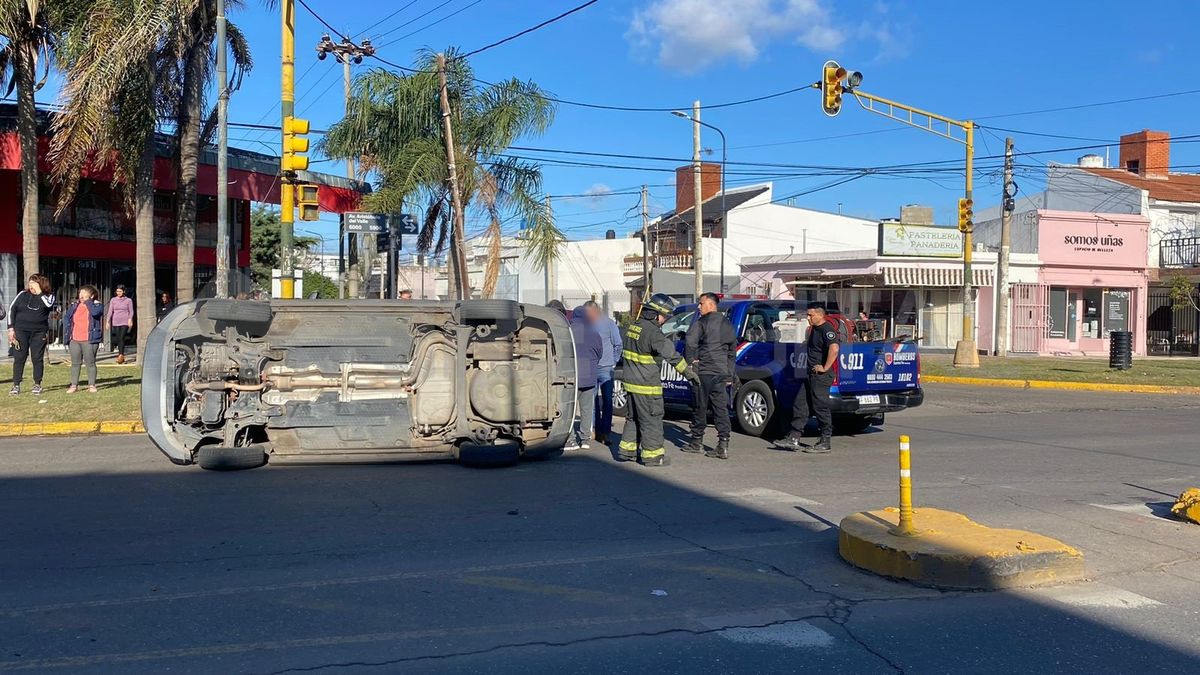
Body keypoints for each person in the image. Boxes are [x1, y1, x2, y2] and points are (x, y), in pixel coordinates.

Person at [618, 293, 700, 467]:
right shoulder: (654, 333)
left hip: (630, 384)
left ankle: (627, 450)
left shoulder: (633, 327)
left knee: (633, 418)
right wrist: (689, 373)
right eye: (664, 316)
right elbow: (672, 356)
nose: (664, 320)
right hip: (647, 386)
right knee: (651, 420)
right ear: (655, 314)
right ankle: (653, 456)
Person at [777, 302, 840, 454]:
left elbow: (834, 348)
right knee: (800, 404)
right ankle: (794, 437)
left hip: (821, 375)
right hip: (809, 373)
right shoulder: (814, 329)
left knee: (820, 407)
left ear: (820, 314)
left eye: (811, 315)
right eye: (808, 314)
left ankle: (825, 440)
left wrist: (825, 367)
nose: (808, 317)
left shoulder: (827, 330)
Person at [683, 292, 736, 460]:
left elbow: (690, 343)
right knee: (720, 409)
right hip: (720, 372)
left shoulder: (701, 322)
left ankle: (696, 442)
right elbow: (731, 351)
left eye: (701, 303)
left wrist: (690, 362)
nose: (699, 307)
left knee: (700, 406)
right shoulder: (727, 323)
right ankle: (723, 444)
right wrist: (729, 374)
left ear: (711, 305)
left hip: (704, 371)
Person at [8, 274, 56, 396]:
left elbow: (48, 305)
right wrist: (10, 328)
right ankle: (16, 385)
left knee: (37, 358)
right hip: (21, 331)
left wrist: (39, 292)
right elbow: (11, 310)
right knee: (19, 358)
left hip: (39, 332)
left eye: (34, 283)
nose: (31, 285)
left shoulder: (49, 296)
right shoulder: (22, 294)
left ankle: (37, 384)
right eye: (30, 282)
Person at [565, 305, 603, 450]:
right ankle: (586, 439)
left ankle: (570, 439)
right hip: (589, 376)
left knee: (570, 411)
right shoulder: (593, 333)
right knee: (587, 410)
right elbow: (599, 353)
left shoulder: (567, 332)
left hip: (571, 376)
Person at [585, 300, 623, 445]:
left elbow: (618, 343)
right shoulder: (586, 325)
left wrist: (614, 361)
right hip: (591, 368)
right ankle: (595, 429)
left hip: (606, 368)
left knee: (607, 401)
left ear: (596, 311)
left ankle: (605, 432)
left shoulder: (608, 324)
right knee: (592, 400)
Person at [63, 285, 104, 394]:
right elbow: (67, 317)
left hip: (89, 339)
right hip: (75, 339)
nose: (81, 295)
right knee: (75, 363)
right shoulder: (75, 305)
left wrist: (89, 302)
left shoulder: (96, 305)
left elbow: (95, 313)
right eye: (80, 293)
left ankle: (92, 385)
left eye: (84, 293)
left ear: (91, 295)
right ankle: (74, 385)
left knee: (90, 362)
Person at [105, 284, 134, 364]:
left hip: (124, 321)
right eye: (117, 291)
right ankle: (121, 355)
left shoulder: (128, 300)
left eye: (120, 291)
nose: (118, 293)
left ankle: (121, 355)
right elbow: (110, 311)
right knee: (118, 338)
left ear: (124, 291)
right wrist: (107, 321)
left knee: (121, 337)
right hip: (116, 321)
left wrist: (130, 319)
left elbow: (131, 311)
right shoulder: (113, 300)